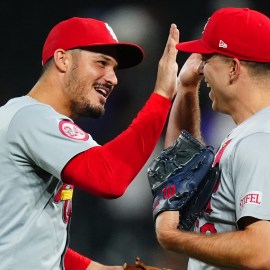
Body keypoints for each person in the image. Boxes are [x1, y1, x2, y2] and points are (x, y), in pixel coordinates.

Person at [0, 17, 180, 269]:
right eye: (101, 62)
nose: (113, 78)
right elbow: (110, 178)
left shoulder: (23, 118)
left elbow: (36, 244)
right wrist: (162, 95)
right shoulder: (32, 118)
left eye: (114, 68)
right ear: (63, 60)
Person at [154, 7, 270, 270]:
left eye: (207, 58)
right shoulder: (250, 132)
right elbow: (184, 168)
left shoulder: (260, 139)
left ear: (233, 68)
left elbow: (263, 252)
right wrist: (186, 89)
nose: (200, 68)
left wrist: (173, 238)